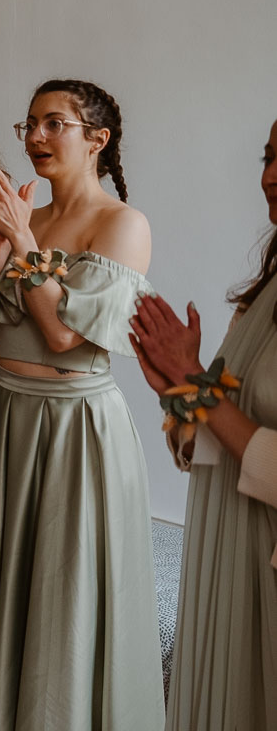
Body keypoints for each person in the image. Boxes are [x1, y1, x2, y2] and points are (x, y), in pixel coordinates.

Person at [0, 79, 163, 730]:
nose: (34, 137)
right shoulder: (29, 219)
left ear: (97, 139)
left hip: (74, 425)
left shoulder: (122, 225)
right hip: (7, 414)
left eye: (54, 123)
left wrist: (22, 243)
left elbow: (62, 336)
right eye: (29, 123)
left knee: (62, 591)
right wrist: (4, 241)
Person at [130, 115, 277, 729]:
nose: (269, 177)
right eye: (267, 157)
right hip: (226, 546)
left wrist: (194, 382)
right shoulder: (262, 294)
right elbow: (217, 425)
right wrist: (176, 393)